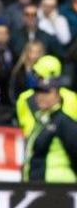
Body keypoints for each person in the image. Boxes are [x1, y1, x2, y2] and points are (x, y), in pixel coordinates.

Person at [15, 55, 77, 183]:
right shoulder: (41, 120)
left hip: (58, 188)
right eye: (38, 91)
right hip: (39, 185)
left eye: (46, 92)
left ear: (57, 94)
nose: (40, 96)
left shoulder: (63, 121)